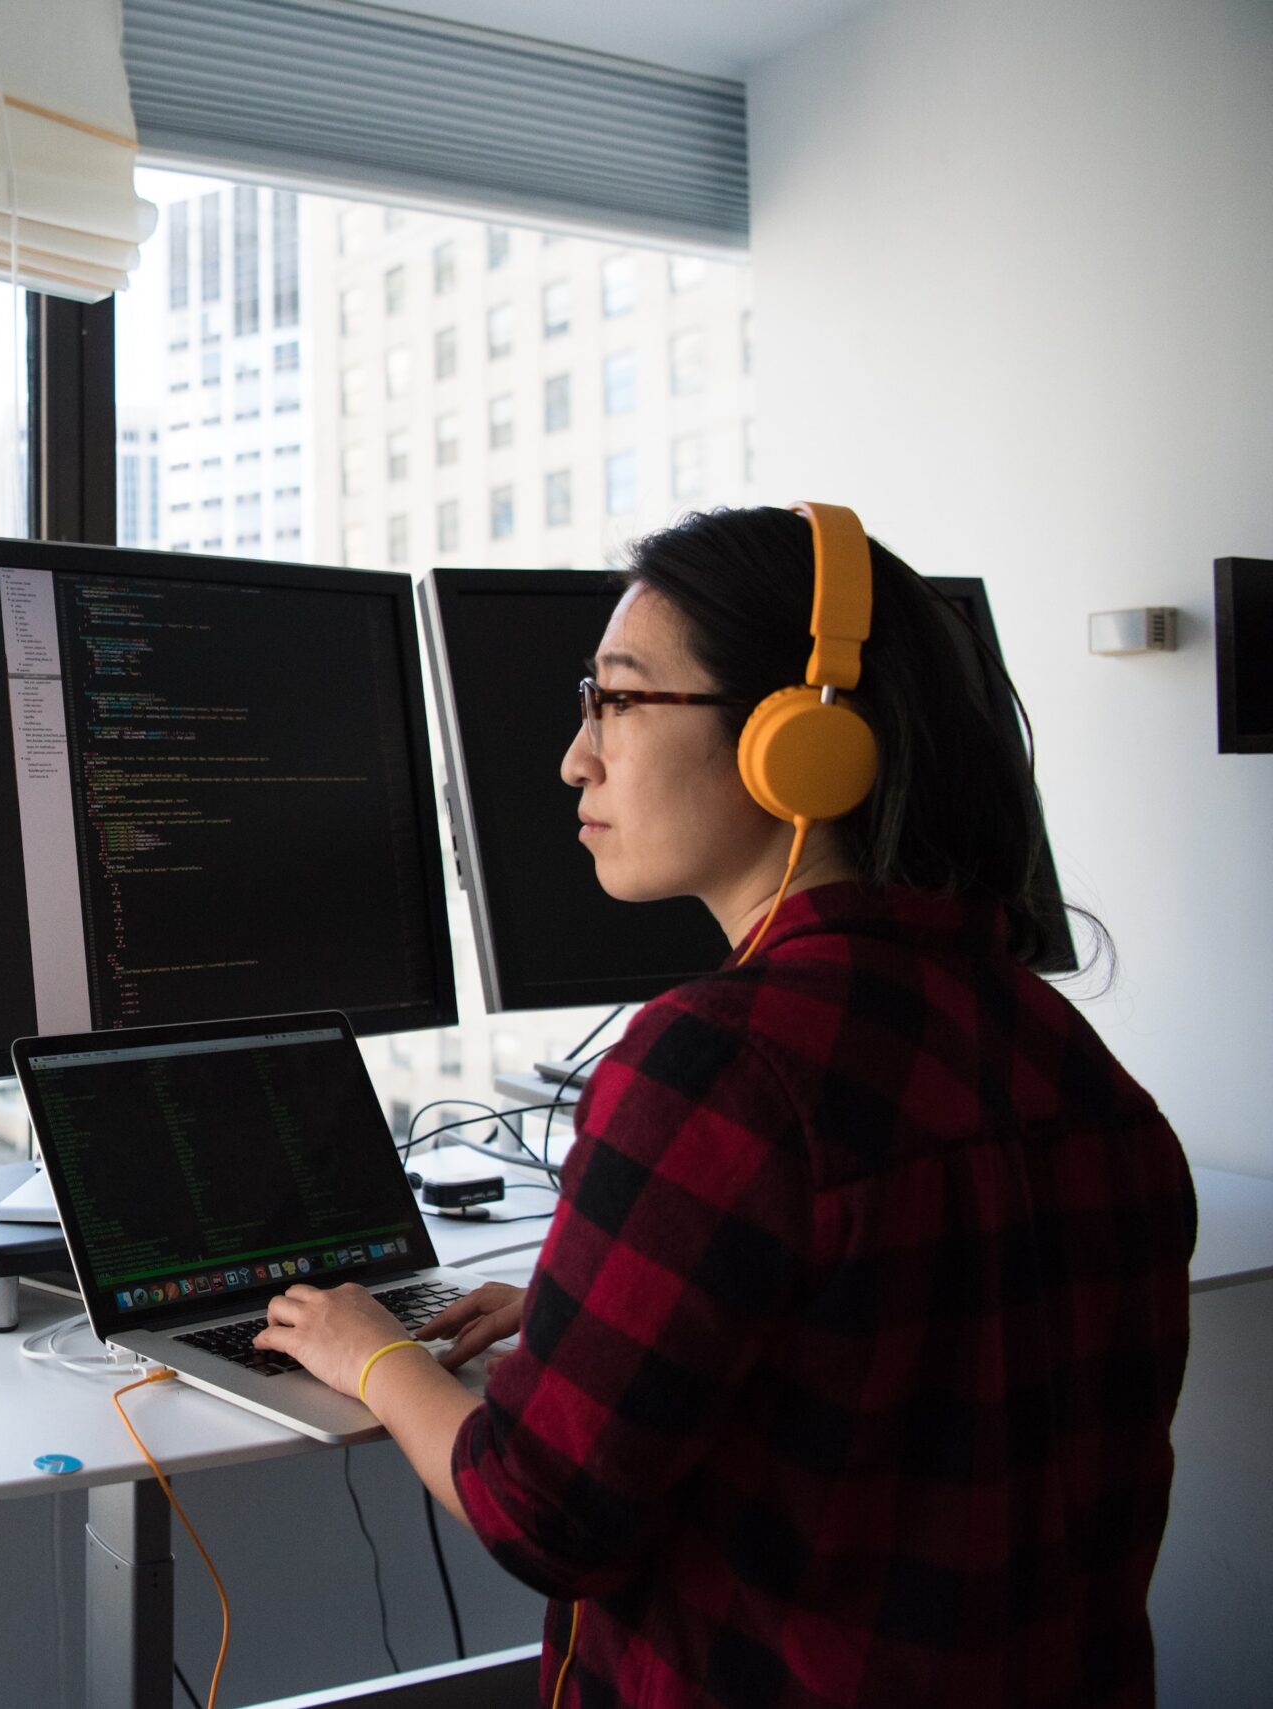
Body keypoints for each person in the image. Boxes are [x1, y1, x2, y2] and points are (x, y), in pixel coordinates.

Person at [254, 506, 1195, 1707]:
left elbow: (540, 1511)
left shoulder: (719, 1064)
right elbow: (903, 1333)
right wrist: (605, 1298)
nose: (574, 757)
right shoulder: (1067, 1056)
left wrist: (373, 1349)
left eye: (618, 699)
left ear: (797, 743)